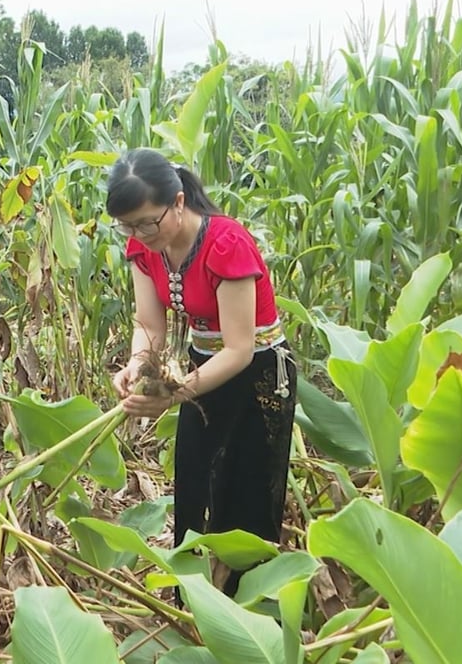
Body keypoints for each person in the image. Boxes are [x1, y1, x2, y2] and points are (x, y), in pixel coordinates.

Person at [107, 148, 296, 596]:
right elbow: (148, 324)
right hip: (201, 369)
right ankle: (190, 604)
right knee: (194, 481)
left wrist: (173, 395)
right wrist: (137, 365)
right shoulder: (144, 246)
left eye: (147, 222)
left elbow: (239, 350)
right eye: (127, 225)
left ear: (177, 202)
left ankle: (249, 607)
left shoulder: (225, 243)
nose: (138, 234)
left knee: (248, 489)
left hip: (261, 376)